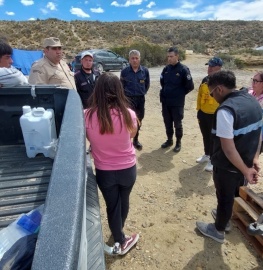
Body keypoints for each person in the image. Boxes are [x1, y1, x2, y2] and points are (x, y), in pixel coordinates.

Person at [196, 70, 262, 243]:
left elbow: (228, 149)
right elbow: (259, 134)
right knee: (233, 194)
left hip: (228, 166)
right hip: (246, 162)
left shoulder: (225, 111)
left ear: (219, 89)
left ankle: (218, 229)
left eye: (211, 93)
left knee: (224, 196)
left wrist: (246, 170)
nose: (212, 97)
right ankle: (225, 216)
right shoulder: (252, 100)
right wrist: (253, 160)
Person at [85, 72, 139, 255]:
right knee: (124, 201)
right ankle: (120, 237)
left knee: (112, 205)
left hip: (104, 171)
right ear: (119, 90)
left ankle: (118, 234)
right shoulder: (129, 114)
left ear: (97, 90)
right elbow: (131, 135)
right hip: (128, 169)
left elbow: (86, 138)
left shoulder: (87, 115)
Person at [160, 47, 194, 152]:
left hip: (177, 103)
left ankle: (178, 142)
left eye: (171, 56)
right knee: (167, 122)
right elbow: (162, 83)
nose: (169, 59)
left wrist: (180, 94)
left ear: (177, 56)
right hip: (166, 102)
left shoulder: (183, 70)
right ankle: (169, 140)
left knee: (177, 123)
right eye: (168, 57)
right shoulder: (166, 69)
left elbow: (190, 86)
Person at [196, 57, 223, 172]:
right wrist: (199, 110)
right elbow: (200, 95)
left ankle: (213, 160)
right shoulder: (205, 80)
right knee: (205, 135)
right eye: (209, 66)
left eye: (212, 66)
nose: (209, 68)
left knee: (215, 139)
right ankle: (207, 154)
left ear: (219, 67)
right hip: (203, 113)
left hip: (215, 114)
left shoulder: (223, 81)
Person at [120, 49, 150, 150]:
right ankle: (127, 141)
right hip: (128, 100)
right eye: (132, 58)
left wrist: (141, 93)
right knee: (127, 120)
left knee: (139, 119)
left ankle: (136, 140)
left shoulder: (145, 71)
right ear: (129, 60)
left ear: (139, 59)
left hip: (140, 99)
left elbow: (147, 85)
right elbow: (121, 86)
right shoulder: (124, 72)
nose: (134, 60)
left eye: (136, 58)